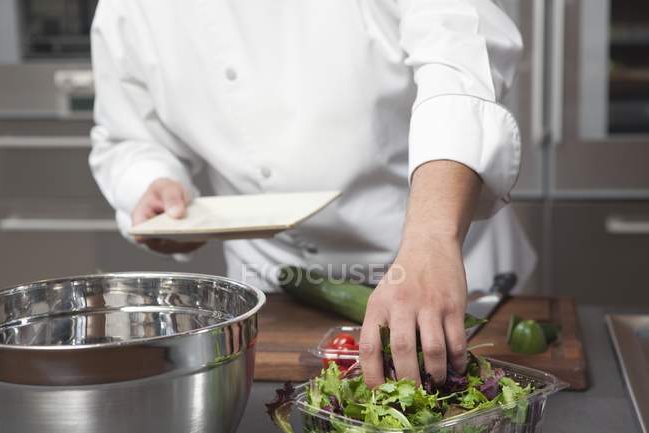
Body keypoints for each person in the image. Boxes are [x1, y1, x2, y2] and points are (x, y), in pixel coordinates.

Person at [89, 0, 536, 388]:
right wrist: (152, 185)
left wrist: (432, 239)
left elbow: (460, 60)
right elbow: (128, 137)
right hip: (275, 287)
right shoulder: (130, 8)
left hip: (445, 265)